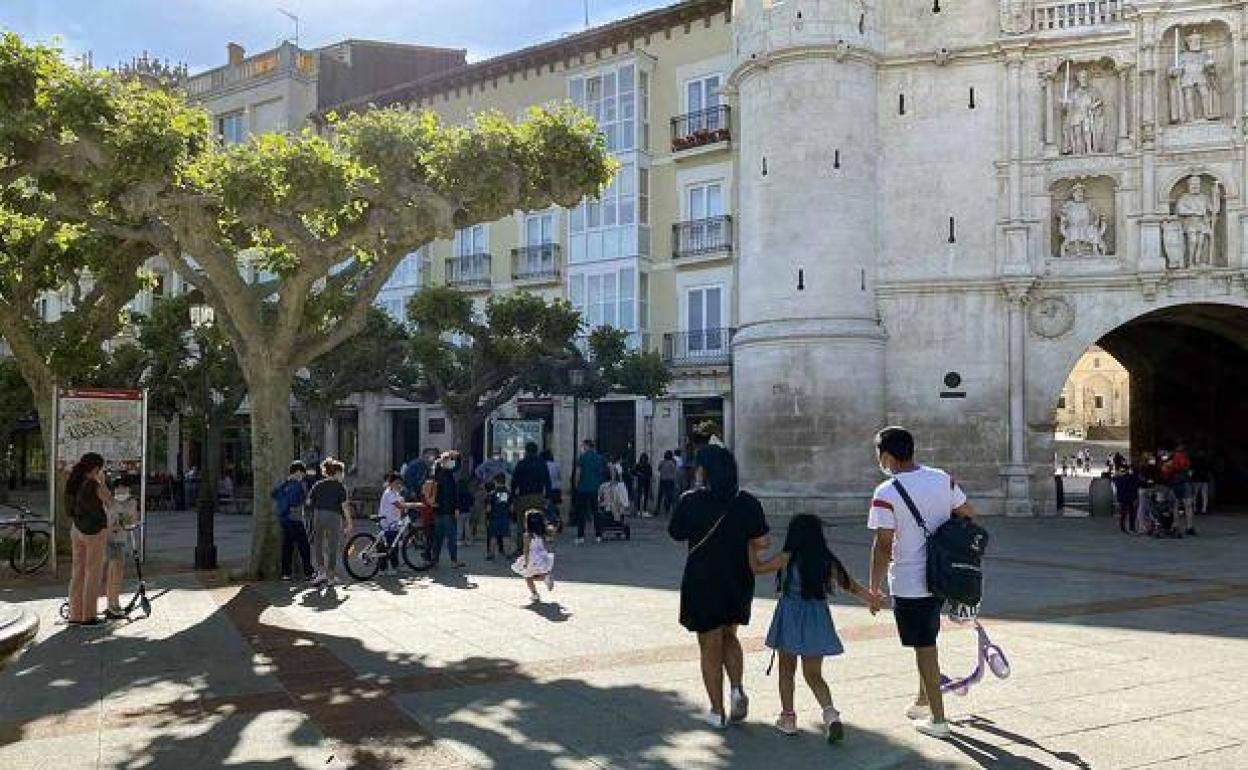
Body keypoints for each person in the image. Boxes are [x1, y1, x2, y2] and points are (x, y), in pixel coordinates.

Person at [867, 426, 976, 740]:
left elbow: (883, 545)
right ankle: (922, 699)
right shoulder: (942, 478)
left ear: (887, 456)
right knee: (925, 639)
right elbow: (968, 514)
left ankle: (938, 718)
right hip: (941, 577)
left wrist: (874, 587)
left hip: (910, 580)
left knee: (924, 647)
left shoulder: (885, 492)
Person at [669, 445, 770, 730]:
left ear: (705, 470)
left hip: (702, 578)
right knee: (729, 634)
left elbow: (676, 533)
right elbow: (763, 542)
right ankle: (737, 689)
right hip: (737, 578)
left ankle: (716, 710)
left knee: (708, 643)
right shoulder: (747, 501)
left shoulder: (690, 500)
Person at [753, 514, 872, 741]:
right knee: (814, 674)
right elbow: (851, 586)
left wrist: (751, 545)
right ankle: (830, 714)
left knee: (787, 671)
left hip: (790, 616)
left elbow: (758, 568)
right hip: (817, 618)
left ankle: (788, 719)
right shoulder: (825, 559)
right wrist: (872, 600)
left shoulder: (787, 557)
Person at [66, 452, 111, 626]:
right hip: (94, 531)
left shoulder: (74, 481)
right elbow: (110, 501)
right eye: (101, 469)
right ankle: (89, 615)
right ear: (96, 468)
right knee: (93, 572)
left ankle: (75, 614)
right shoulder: (94, 484)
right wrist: (102, 482)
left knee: (77, 572)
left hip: (76, 528)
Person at [307, 458, 353, 587]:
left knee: (318, 544)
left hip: (318, 515)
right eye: (342, 473)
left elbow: (309, 502)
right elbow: (344, 506)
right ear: (337, 473)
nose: (343, 476)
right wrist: (349, 523)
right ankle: (331, 576)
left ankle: (321, 572)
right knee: (332, 545)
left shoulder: (318, 484)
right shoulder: (340, 487)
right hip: (334, 516)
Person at [272, 461, 313, 581]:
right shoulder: (298, 485)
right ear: (298, 472)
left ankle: (286, 573)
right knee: (304, 545)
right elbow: (298, 501)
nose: (303, 476)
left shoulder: (284, 484)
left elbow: (273, 494)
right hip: (295, 519)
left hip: (284, 518)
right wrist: (305, 499)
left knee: (287, 546)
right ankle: (308, 572)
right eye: (302, 474)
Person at [103, 480, 137, 621]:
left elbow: (131, 521)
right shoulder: (109, 502)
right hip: (109, 540)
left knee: (118, 572)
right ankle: (112, 604)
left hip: (120, 541)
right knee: (114, 572)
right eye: (119, 489)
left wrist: (128, 517)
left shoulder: (131, 503)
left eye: (124, 488)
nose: (122, 492)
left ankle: (114, 602)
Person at [429, 451, 465, 568]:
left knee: (438, 538)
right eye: (451, 460)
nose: (453, 463)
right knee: (451, 537)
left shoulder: (437, 473)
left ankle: (435, 560)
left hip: (438, 510)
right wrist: (456, 507)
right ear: (446, 462)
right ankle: (454, 561)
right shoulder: (447, 475)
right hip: (447, 511)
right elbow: (451, 495)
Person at [511, 508, 556, 603]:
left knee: (528, 576)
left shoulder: (527, 535)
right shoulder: (541, 533)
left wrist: (526, 562)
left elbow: (526, 549)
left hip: (532, 556)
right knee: (534, 574)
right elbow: (549, 538)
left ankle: (535, 594)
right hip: (541, 555)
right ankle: (545, 578)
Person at [379, 472, 420, 574]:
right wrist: (415, 505)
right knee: (391, 545)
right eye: (397, 483)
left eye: (400, 483)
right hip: (388, 522)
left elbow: (401, 502)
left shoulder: (394, 493)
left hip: (392, 522)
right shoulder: (389, 493)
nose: (399, 485)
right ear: (391, 483)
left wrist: (409, 504)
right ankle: (391, 567)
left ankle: (389, 567)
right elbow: (400, 505)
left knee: (392, 544)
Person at [574, 440, 608, 544]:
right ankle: (598, 535)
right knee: (596, 512)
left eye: (583, 446)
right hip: (596, 489)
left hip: (583, 489)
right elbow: (607, 469)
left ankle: (580, 536)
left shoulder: (582, 458)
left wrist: (576, 484)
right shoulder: (600, 458)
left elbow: (578, 472)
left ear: (586, 446)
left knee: (582, 513)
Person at [511, 442, 552, 521]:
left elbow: (514, 481)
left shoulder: (521, 464)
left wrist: (513, 495)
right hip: (538, 495)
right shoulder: (541, 464)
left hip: (524, 496)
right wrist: (548, 496)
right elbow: (547, 480)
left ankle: (522, 531)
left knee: (522, 518)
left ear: (526, 451)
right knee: (540, 517)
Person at [484, 481, 511, 561]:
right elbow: (509, 507)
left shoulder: (491, 495)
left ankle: (491, 554)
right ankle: (508, 553)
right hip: (504, 517)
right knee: (506, 536)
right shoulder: (506, 494)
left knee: (493, 537)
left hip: (494, 518)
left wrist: (487, 517)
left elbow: (488, 509)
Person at [1114, 464, 1140, 534]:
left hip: (1123, 497)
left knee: (1124, 513)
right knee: (1131, 513)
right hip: (1129, 497)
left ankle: (1124, 527)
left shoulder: (1119, 478)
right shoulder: (1132, 478)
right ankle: (1131, 527)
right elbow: (1134, 487)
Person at [541, 449, 563, 531]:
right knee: (554, 506)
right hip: (556, 488)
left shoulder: (543, 465)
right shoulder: (556, 465)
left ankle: (553, 522)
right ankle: (557, 520)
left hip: (547, 489)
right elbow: (560, 476)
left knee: (548, 507)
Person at [656, 450, 679, 516]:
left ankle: (661, 509)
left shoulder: (663, 462)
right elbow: (674, 470)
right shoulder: (671, 463)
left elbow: (659, 468)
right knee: (668, 496)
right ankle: (666, 509)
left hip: (665, 480)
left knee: (663, 496)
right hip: (668, 480)